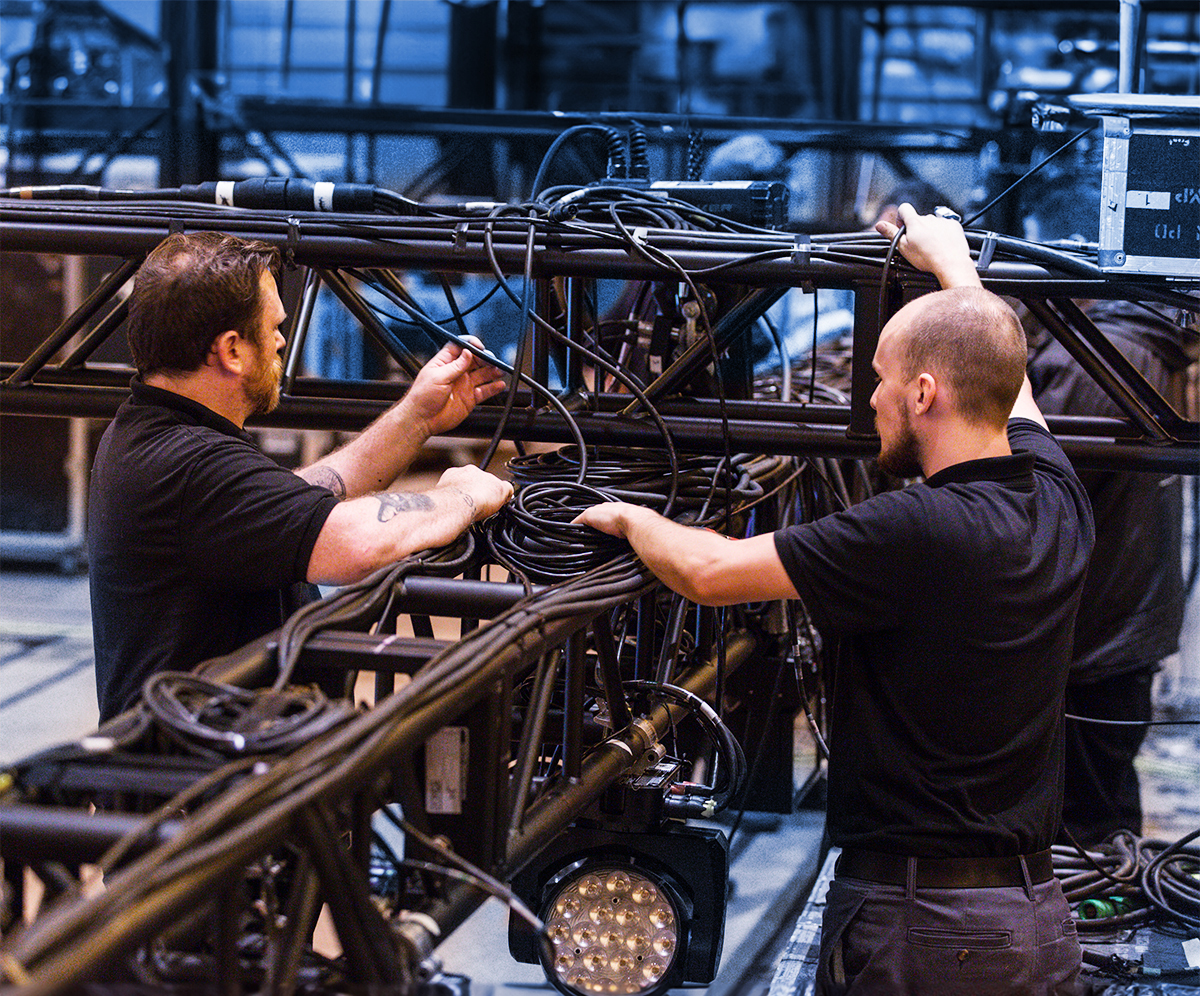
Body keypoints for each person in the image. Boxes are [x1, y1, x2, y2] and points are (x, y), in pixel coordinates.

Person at [577, 207, 1093, 995]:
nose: (872, 401)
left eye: (881, 381)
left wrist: (628, 515)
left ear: (924, 394)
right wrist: (955, 267)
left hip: (923, 930)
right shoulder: (1059, 497)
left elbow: (710, 571)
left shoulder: (914, 529)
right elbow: (1008, 389)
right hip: (1032, 916)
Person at [88, 231, 514, 722]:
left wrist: (417, 416)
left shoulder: (153, 430)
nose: (280, 341)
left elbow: (297, 502)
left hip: (227, 764)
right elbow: (356, 544)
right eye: (272, 327)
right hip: (204, 782)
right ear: (231, 350)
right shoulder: (187, 466)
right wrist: (464, 495)